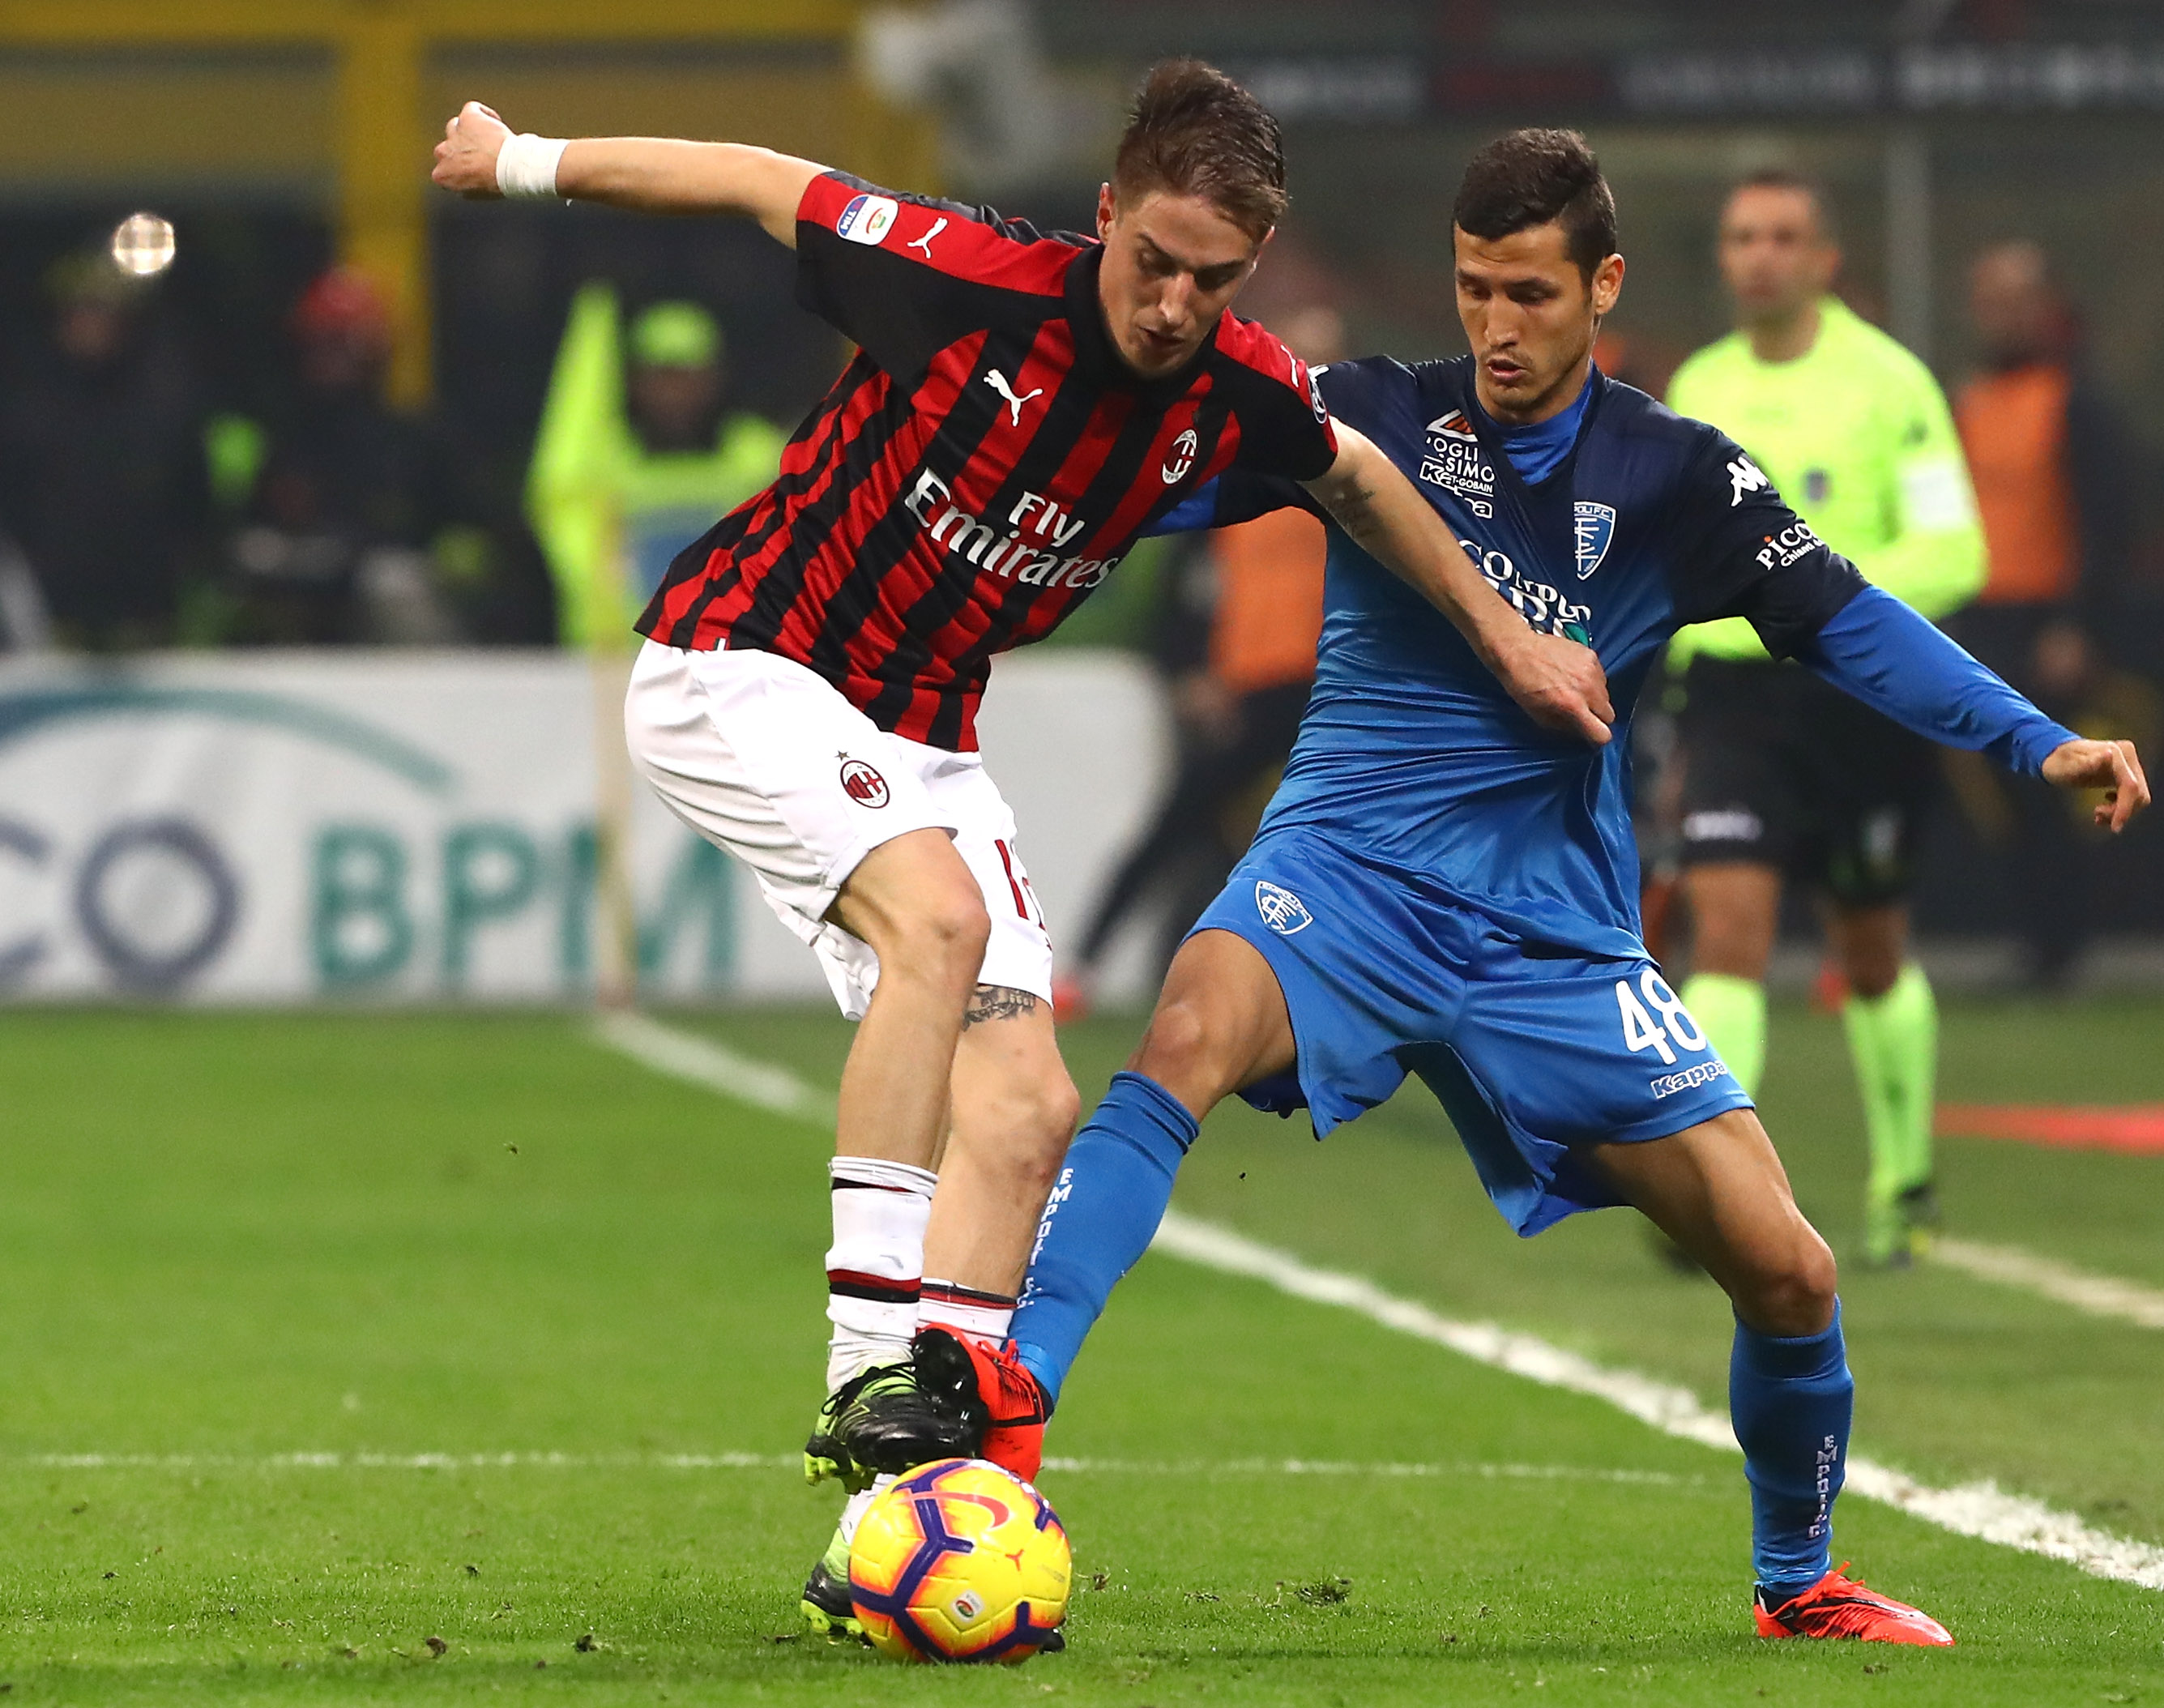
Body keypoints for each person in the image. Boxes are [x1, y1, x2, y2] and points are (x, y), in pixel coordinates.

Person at [430, 61, 1610, 1637]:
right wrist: (525, 158)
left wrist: (1510, 640)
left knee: (1030, 1103)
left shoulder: (1235, 390)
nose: (1176, 306)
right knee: (938, 927)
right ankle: (872, 1368)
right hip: (747, 662)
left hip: (922, 732)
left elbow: (1363, 481)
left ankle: (902, 1517)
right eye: (1156, 263)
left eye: (1216, 280)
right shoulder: (959, 278)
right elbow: (755, 174)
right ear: (1107, 215)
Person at [998, 130, 2147, 1647]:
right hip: (1343, 876)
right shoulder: (1372, 416)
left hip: (1552, 938)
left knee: (1790, 1267)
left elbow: (1854, 622)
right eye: (1475, 290)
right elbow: (1155, 469)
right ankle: (1005, 1447)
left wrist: (2037, 739)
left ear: (1603, 286)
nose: (1498, 328)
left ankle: (1797, 1582)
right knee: (1179, 1043)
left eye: (1531, 293)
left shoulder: (1678, 477)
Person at [1664, 172, 1988, 1267]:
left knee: (1874, 954)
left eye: (1783, 236)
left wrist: (1817, 595)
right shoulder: (1698, 386)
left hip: (1861, 694)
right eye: (1741, 235)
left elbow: (1956, 552)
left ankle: (1904, 1180)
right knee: (1727, 936)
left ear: (1826, 258)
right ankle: (1718, 1194)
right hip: (1736, 700)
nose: (1759, 255)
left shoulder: (1892, 384)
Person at [1062, 303, 1342, 1002]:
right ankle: (1084, 966)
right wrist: (1192, 672)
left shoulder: (1354, 472)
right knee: (1183, 824)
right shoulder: (1235, 464)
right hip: (1251, 684)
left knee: (1325, 839)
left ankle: (1334, 991)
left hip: (1328, 687)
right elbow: (1182, 592)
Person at [1953, 241, 2138, 988]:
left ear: (2046, 306)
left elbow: (2106, 522)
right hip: (1981, 615)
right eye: (1988, 299)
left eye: (2015, 299)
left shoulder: (2074, 400)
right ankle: (2036, 941)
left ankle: (2060, 948)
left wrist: (2079, 623)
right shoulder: (1965, 398)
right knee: (2005, 795)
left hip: (2046, 618)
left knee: (2046, 788)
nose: (2001, 315)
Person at [526, 288, 787, 650]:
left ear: (715, 378)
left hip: (734, 657)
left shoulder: (759, 457)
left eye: (688, 375)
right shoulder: (601, 461)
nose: (675, 392)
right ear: (635, 381)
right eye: (662, 375)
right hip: (616, 660)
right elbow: (562, 517)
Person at [220, 267, 456, 644]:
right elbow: (257, 524)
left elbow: (435, 529)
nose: (329, 361)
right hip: (301, 586)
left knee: (393, 581)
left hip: (376, 592)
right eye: (319, 346)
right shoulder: (286, 440)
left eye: (343, 346)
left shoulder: (408, 440)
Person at [0, 251, 207, 651]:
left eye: (102, 311)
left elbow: (191, 501)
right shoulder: (30, 411)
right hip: (46, 622)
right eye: (80, 310)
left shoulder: (162, 408)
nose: (90, 324)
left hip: (147, 622)